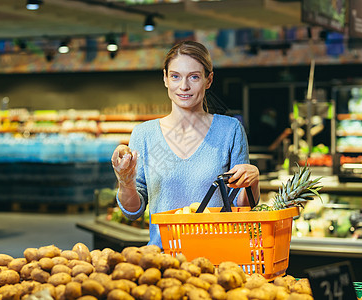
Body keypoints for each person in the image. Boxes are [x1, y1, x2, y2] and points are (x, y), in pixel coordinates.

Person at [111, 40, 260, 248]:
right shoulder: (144, 134)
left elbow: (241, 206)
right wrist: (125, 182)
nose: (184, 86)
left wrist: (252, 180)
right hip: (163, 260)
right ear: (165, 79)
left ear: (209, 80)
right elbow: (133, 212)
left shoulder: (230, 130)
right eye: (175, 76)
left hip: (218, 258)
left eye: (194, 77)